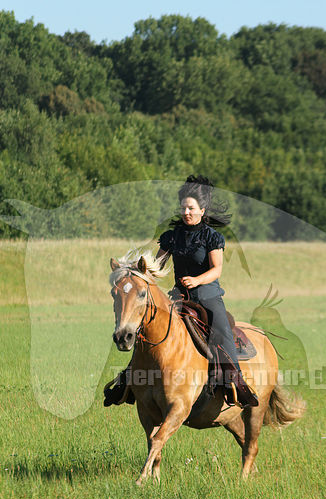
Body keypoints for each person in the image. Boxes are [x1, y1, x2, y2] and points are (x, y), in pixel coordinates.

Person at [104, 175, 258, 409]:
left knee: (222, 328)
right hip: (178, 297)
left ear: (202, 210)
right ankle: (129, 379)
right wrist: (136, 271)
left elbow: (216, 270)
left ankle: (235, 381)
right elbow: (157, 265)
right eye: (184, 207)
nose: (186, 212)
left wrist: (196, 280)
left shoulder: (212, 237)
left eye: (191, 208)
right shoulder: (172, 236)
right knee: (147, 326)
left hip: (208, 296)